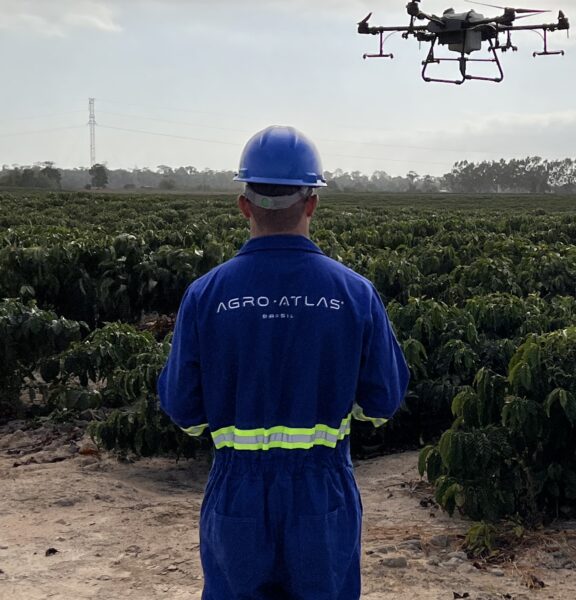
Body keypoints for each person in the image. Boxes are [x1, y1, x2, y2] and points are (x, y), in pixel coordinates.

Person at [158, 125, 410, 599]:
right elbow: (382, 401)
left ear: (244, 204)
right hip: (323, 493)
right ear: (312, 202)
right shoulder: (354, 293)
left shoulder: (206, 295)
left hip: (237, 493)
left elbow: (183, 407)